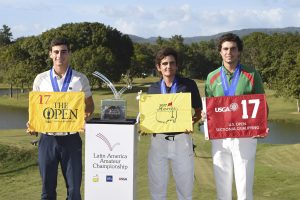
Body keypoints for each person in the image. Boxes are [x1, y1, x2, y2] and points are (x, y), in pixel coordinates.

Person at [27, 38, 94, 200]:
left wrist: (84, 118)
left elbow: (90, 106)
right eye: (56, 52)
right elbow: (35, 108)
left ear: (69, 54)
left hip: (71, 139)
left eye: (64, 51)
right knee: (47, 191)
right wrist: (32, 123)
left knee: (74, 191)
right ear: (50, 54)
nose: (59, 55)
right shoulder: (40, 79)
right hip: (47, 141)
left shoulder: (80, 79)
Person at [204, 33, 267, 200]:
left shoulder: (252, 74)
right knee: (222, 189)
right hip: (220, 138)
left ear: (239, 52)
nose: (229, 52)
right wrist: (205, 114)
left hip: (245, 136)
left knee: (244, 189)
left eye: (233, 49)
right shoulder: (212, 77)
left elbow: (262, 105)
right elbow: (210, 108)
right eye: (225, 49)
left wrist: (261, 125)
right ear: (220, 52)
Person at [147, 47, 202, 200]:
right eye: (164, 63)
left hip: (182, 141)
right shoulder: (152, 89)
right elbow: (149, 117)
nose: (168, 66)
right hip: (158, 142)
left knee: (185, 191)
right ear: (158, 67)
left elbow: (198, 112)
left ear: (177, 66)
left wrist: (189, 122)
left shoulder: (188, 85)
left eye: (172, 63)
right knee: (157, 190)